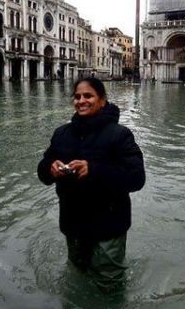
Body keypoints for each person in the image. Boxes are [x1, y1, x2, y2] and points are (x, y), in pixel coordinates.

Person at [37, 78, 145, 290]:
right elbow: (43, 172)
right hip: (73, 224)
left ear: (102, 101)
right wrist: (50, 167)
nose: (81, 101)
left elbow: (136, 178)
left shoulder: (120, 135)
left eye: (88, 96)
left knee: (109, 283)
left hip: (108, 226)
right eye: (77, 97)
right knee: (78, 276)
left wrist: (94, 170)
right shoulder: (62, 134)